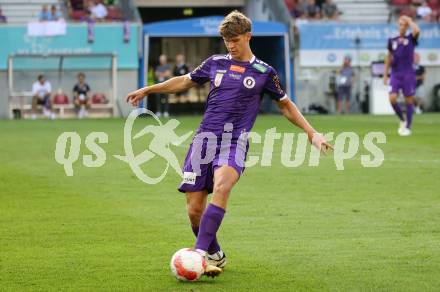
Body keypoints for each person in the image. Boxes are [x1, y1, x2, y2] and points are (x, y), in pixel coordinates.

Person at [126, 11, 332, 278]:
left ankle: (197, 255)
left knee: (222, 185)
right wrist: (147, 89)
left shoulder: (264, 72)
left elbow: (286, 106)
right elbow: (184, 82)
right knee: (194, 211)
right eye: (226, 41)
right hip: (203, 141)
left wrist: (312, 133)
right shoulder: (215, 63)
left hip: (234, 142)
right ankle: (214, 254)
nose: (231, 46)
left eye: (235, 40)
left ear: (248, 36)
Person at [384, 15, 420, 136]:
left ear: (407, 27)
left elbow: (417, 31)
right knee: (392, 98)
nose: (402, 27)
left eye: (404, 25)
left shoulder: (411, 38)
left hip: (408, 73)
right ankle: (402, 119)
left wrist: (409, 20)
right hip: (395, 73)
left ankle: (408, 127)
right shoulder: (392, 40)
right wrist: (385, 74)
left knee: (408, 100)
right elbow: (388, 57)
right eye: (400, 24)